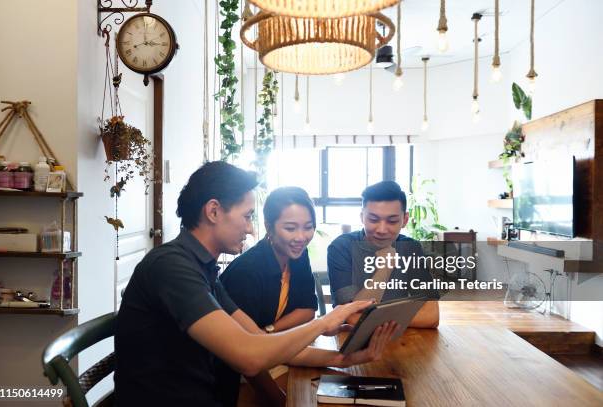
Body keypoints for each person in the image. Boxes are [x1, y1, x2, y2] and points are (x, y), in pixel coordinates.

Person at [115, 161, 398, 407]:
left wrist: (343, 358)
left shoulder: (202, 269)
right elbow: (249, 358)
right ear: (213, 212)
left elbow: (260, 343)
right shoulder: (173, 268)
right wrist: (324, 323)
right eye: (247, 216)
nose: (251, 228)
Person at [219, 187, 318, 405]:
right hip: (234, 374)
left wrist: (270, 332)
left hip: (271, 351)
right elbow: (246, 358)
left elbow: (308, 309)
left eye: (308, 227)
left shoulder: (297, 255)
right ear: (269, 227)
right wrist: (280, 402)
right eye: (290, 228)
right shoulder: (247, 272)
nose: (301, 237)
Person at [327, 180, 440, 327]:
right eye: (373, 219)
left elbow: (431, 315)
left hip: (400, 338)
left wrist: (373, 319)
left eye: (392, 221)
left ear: (405, 220)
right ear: (362, 217)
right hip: (351, 340)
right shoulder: (341, 248)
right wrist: (384, 269)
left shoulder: (410, 248)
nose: (381, 229)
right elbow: (351, 318)